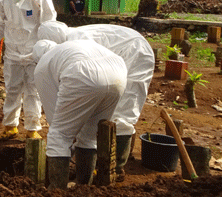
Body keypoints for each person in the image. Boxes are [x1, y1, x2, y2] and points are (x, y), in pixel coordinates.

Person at [37, 20, 155, 181]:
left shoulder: (51, 59)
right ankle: (86, 182)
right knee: (90, 134)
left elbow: (56, 115)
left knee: (123, 114)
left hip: (135, 54)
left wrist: (64, 140)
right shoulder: (70, 44)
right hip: (116, 67)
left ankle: (115, 168)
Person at [32, 39, 127, 189]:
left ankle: (57, 192)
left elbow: (54, 118)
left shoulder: (42, 66)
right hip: (117, 70)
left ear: (36, 61)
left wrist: (65, 142)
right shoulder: (67, 48)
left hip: (83, 73)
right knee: (89, 136)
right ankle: (84, 188)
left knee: (59, 136)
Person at [0, 0, 56, 139]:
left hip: (34, 53)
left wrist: (48, 50)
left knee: (33, 90)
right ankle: (10, 126)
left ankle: (32, 128)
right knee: (12, 90)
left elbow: (49, 24)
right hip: (13, 53)